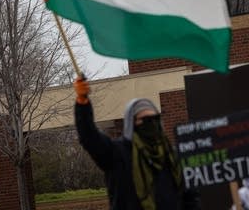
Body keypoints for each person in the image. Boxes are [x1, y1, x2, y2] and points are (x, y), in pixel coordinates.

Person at [73, 76, 200, 210]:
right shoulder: (117, 153)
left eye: (155, 118)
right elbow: (89, 137)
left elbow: (189, 196)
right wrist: (83, 102)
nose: (151, 123)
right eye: (145, 119)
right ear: (132, 123)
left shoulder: (171, 155)